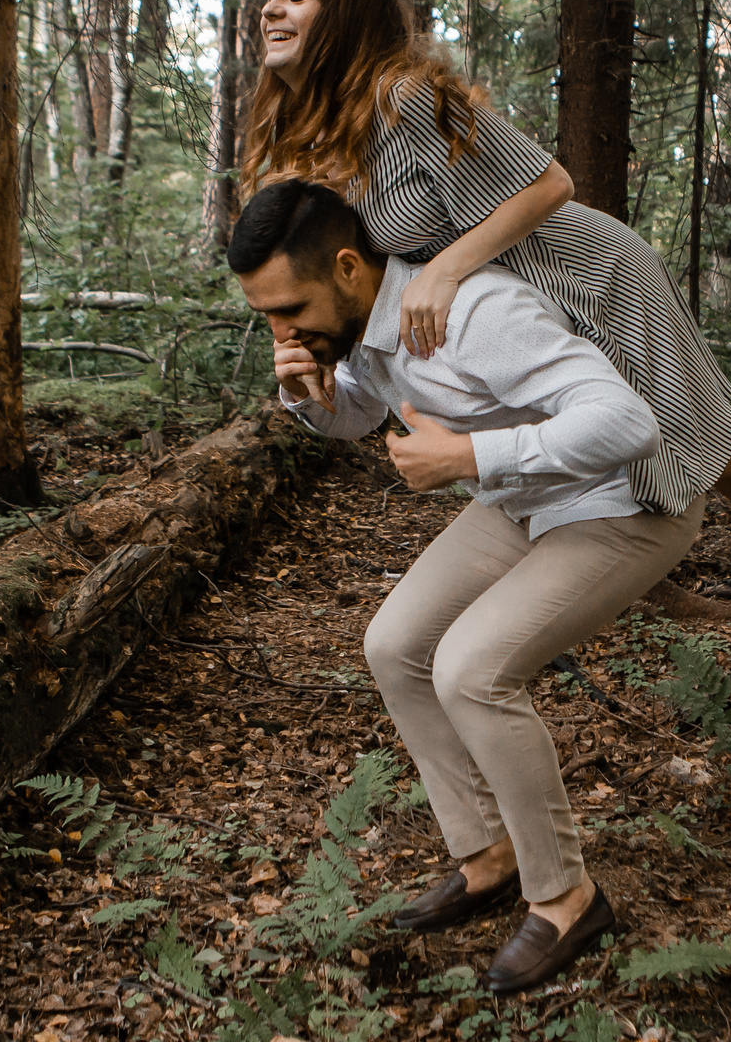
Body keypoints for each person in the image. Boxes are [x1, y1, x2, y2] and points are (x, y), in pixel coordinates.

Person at [240, 0, 731, 675]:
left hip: (588, 276)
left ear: (345, 14)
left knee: (712, 440)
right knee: (703, 446)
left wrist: (446, 270)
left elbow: (548, 186)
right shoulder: (320, 138)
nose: (271, 7)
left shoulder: (406, 99)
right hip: (513, 304)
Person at [229, 178, 687, 993]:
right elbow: (360, 416)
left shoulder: (474, 313)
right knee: (394, 644)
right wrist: (311, 398)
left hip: (624, 504)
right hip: (525, 502)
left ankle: (567, 895)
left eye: (287, 307)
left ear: (346, 267)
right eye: (265, 314)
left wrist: (469, 460)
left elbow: (627, 422)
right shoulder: (364, 330)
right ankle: (490, 853)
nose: (280, 330)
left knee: (471, 670)